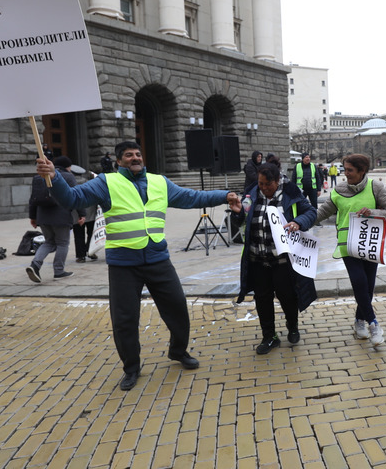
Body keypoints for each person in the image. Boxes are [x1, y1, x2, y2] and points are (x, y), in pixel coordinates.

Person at [36, 141, 242, 390]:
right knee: (124, 320)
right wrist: (54, 176)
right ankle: (131, 368)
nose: (135, 158)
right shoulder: (106, 182)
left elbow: (192, 197)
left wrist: (224, 196)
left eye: (137, 154)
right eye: (128, 155)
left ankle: (178, 351)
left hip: (157, 258)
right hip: (123, 264)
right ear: (119, 161)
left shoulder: (159, 182)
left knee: (177, 308)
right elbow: (72, 198)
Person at [236, 164, 318, 354]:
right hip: (257, 258)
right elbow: (242, 219)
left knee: (287, 297)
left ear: (277, 181)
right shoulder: (251, 194)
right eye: (260, 183)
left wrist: (298, 222)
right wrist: (237, 213)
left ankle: (292, 325)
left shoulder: (291, 193)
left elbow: (311, 213)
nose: (263, 188)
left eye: (267, 184)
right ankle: (269, 336)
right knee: (262, 298)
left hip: (282, 261)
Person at [314, 154, 386, 345]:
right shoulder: (339, 190)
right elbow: (322, 212)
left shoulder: (376, 187)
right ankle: (374, 324)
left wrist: (372, 212)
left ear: (362, 171)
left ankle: (359, 321)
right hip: (347, 245)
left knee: (368, 287)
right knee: (359, 281)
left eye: (350, 170)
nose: (346, 174)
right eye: (345, 169)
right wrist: (300, 222)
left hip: (370, 243)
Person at [26, 156, 82, 282]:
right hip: (61, 216)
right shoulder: (68, 176)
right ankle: (59, 271)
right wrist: (82, 214)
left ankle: (35, 264)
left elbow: (32, 199)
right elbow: (76, 195)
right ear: (68, 167)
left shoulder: (37, 177)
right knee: (62, 243)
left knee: (49, 242)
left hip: (43, 216)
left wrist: (33, 217)